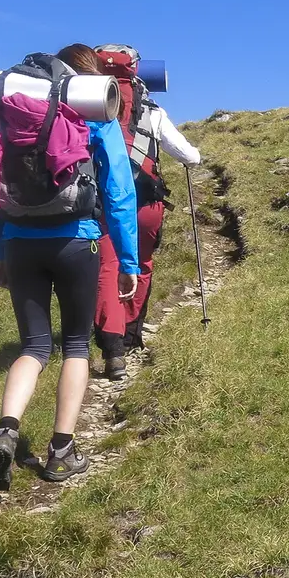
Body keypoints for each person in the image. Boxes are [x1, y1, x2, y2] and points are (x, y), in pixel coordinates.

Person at [0, 44, 141, 488]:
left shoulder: (6, 106)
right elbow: (119, 191)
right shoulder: (90, 105)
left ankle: (7, 430)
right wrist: (128, 260)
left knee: (34, 348)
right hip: (77, 241)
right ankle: (61, 452)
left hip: (20, 242)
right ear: (89, 75)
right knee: (77, 345)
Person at [90, 43, 202, 378]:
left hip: (102, 203)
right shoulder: (152, 110)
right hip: (145, 201)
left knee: (107, 269)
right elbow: (189, 156)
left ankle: (111, 349)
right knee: (140, 264)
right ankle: (130, 334)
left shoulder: (85, 107)